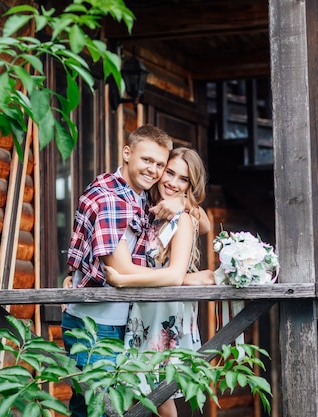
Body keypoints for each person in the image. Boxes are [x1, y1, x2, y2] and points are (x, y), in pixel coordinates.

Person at [61, 125, 209, 417]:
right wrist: (183, 278)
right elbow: (121, 272)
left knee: (94, 408)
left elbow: (202, 222)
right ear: (127, 153)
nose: (154, 170)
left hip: (127, 323)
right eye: (147, 161)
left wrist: (182, 201)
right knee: (102, 409)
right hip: (97, 324)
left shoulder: (143, 198)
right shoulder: (112, 198)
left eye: (159, 164)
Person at [104, 147, 212, 417]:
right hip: (143, 313)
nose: (173, 182)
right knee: (136, 390)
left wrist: (124, 280)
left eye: (183, 179)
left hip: (164, 315)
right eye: (170, 172)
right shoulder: (148, 211)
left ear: (191, 184)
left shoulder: (183, 218)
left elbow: (174, 274)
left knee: (158, 394)